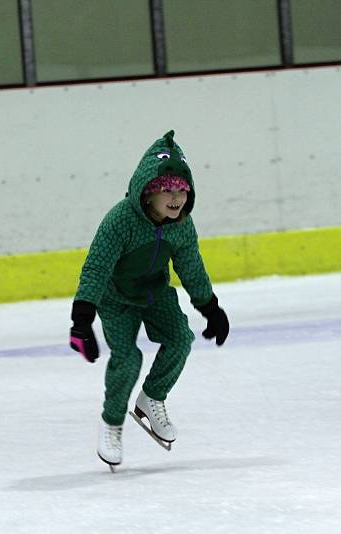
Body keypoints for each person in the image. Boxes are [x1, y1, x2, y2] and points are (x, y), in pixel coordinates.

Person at [69, 130, 230, 468]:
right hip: (116, 298)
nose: (177, 199)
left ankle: (151, 398)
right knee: (127, 359)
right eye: (167, 190)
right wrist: (81, 319)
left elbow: (191, 266)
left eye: (182, 190)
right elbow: (96, 267)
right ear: (148, 192)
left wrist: (209, 307)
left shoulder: (181, 225)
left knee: (179, 339)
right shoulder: (121, 221)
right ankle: (112, 423)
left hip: (155, 292)